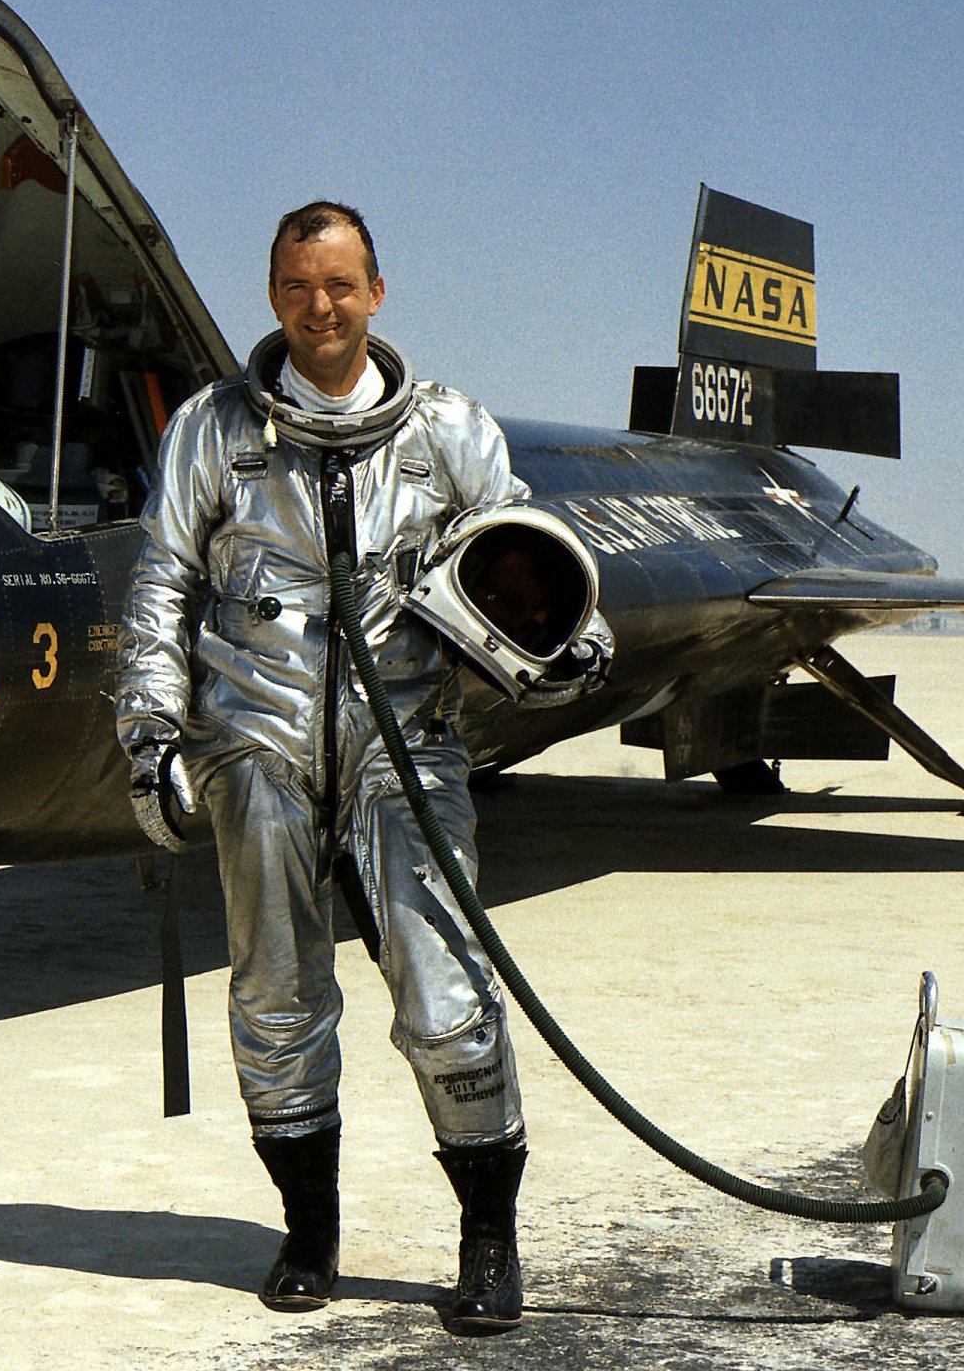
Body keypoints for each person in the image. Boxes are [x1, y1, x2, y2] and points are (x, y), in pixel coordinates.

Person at [115, 201, 605, 1334]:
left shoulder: (446, 433)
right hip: (259, 744)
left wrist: (572, 644)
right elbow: (161, 586)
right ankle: (309, 1231)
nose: (318, 308)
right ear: (272, 295)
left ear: (375, 294)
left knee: (447, 998)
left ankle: (488, 1239)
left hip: (406, 750)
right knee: (278, 1002)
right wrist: (150, 732)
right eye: (296, 288)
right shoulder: (215, 430)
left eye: (338, 287)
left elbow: (520, 562)